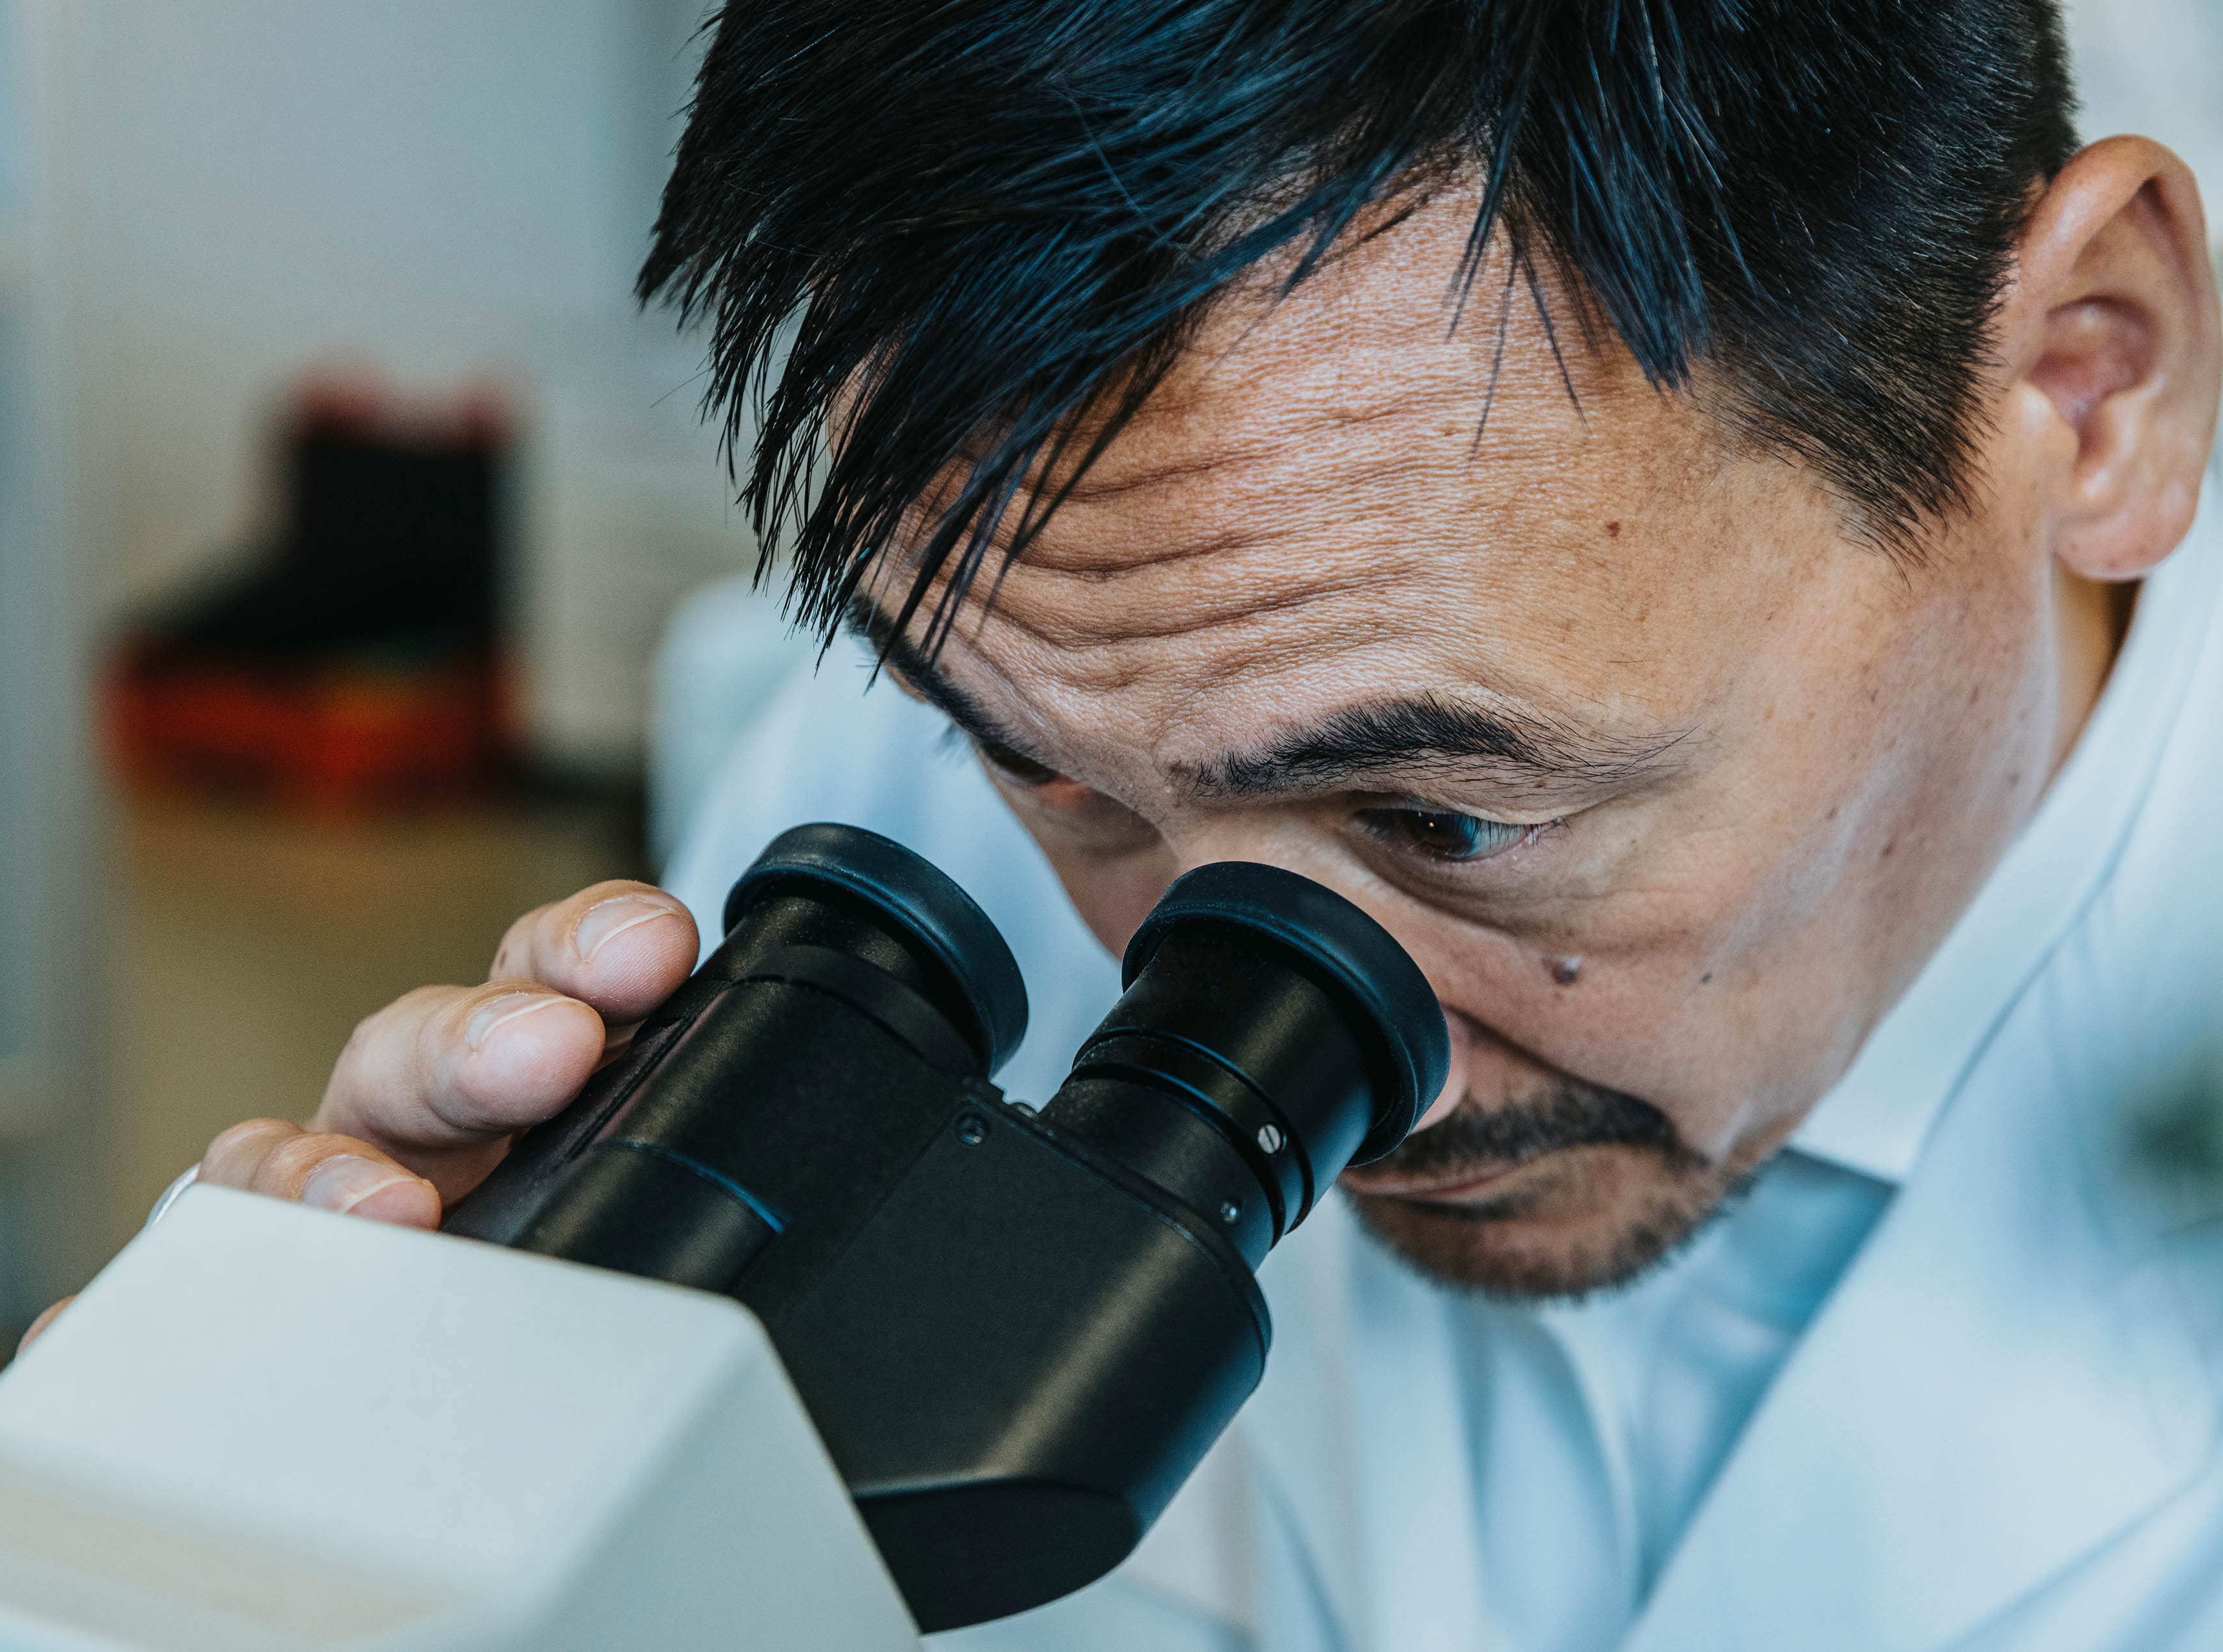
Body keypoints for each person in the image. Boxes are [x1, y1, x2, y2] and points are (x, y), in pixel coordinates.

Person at [162, 1, 2223, 1646]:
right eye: (1048, 771)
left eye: (1440, 810)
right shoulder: (973, 707)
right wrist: (239, 1524)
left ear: (2087, 385)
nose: (1287, 1036)